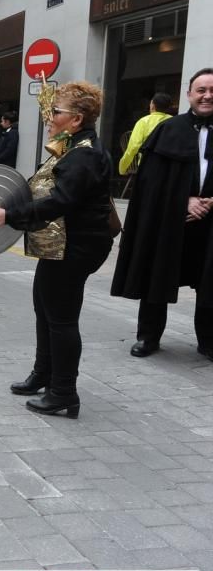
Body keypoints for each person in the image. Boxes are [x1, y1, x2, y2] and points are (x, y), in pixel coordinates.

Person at [0, 81, 113, 418]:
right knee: (46, 309)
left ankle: (64, 393)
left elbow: (60, 202)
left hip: (76, 246)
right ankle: (43, 375)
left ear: (77, 118)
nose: (50, 116)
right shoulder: (73, 146)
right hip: (60, 245)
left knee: (62, 319)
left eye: (56, 112)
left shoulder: (84, 155)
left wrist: (10, 215)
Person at [111, 69, 213, 361]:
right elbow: (151, 183)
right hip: (171, 218)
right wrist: (185, 201)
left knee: (210, 278)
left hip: (211, 222)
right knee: (158, 272)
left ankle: (209, 341)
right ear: (189, 95)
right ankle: (149, 336)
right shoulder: (169, 130)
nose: (207, 95)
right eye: (201, 90)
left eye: (212, 90)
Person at [117, 92, 174, 177]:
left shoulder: (143, 122)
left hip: (147, 167)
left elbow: (133, 147)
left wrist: (123, 167)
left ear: (152, 105)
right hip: (170, 169)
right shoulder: (174, 122)